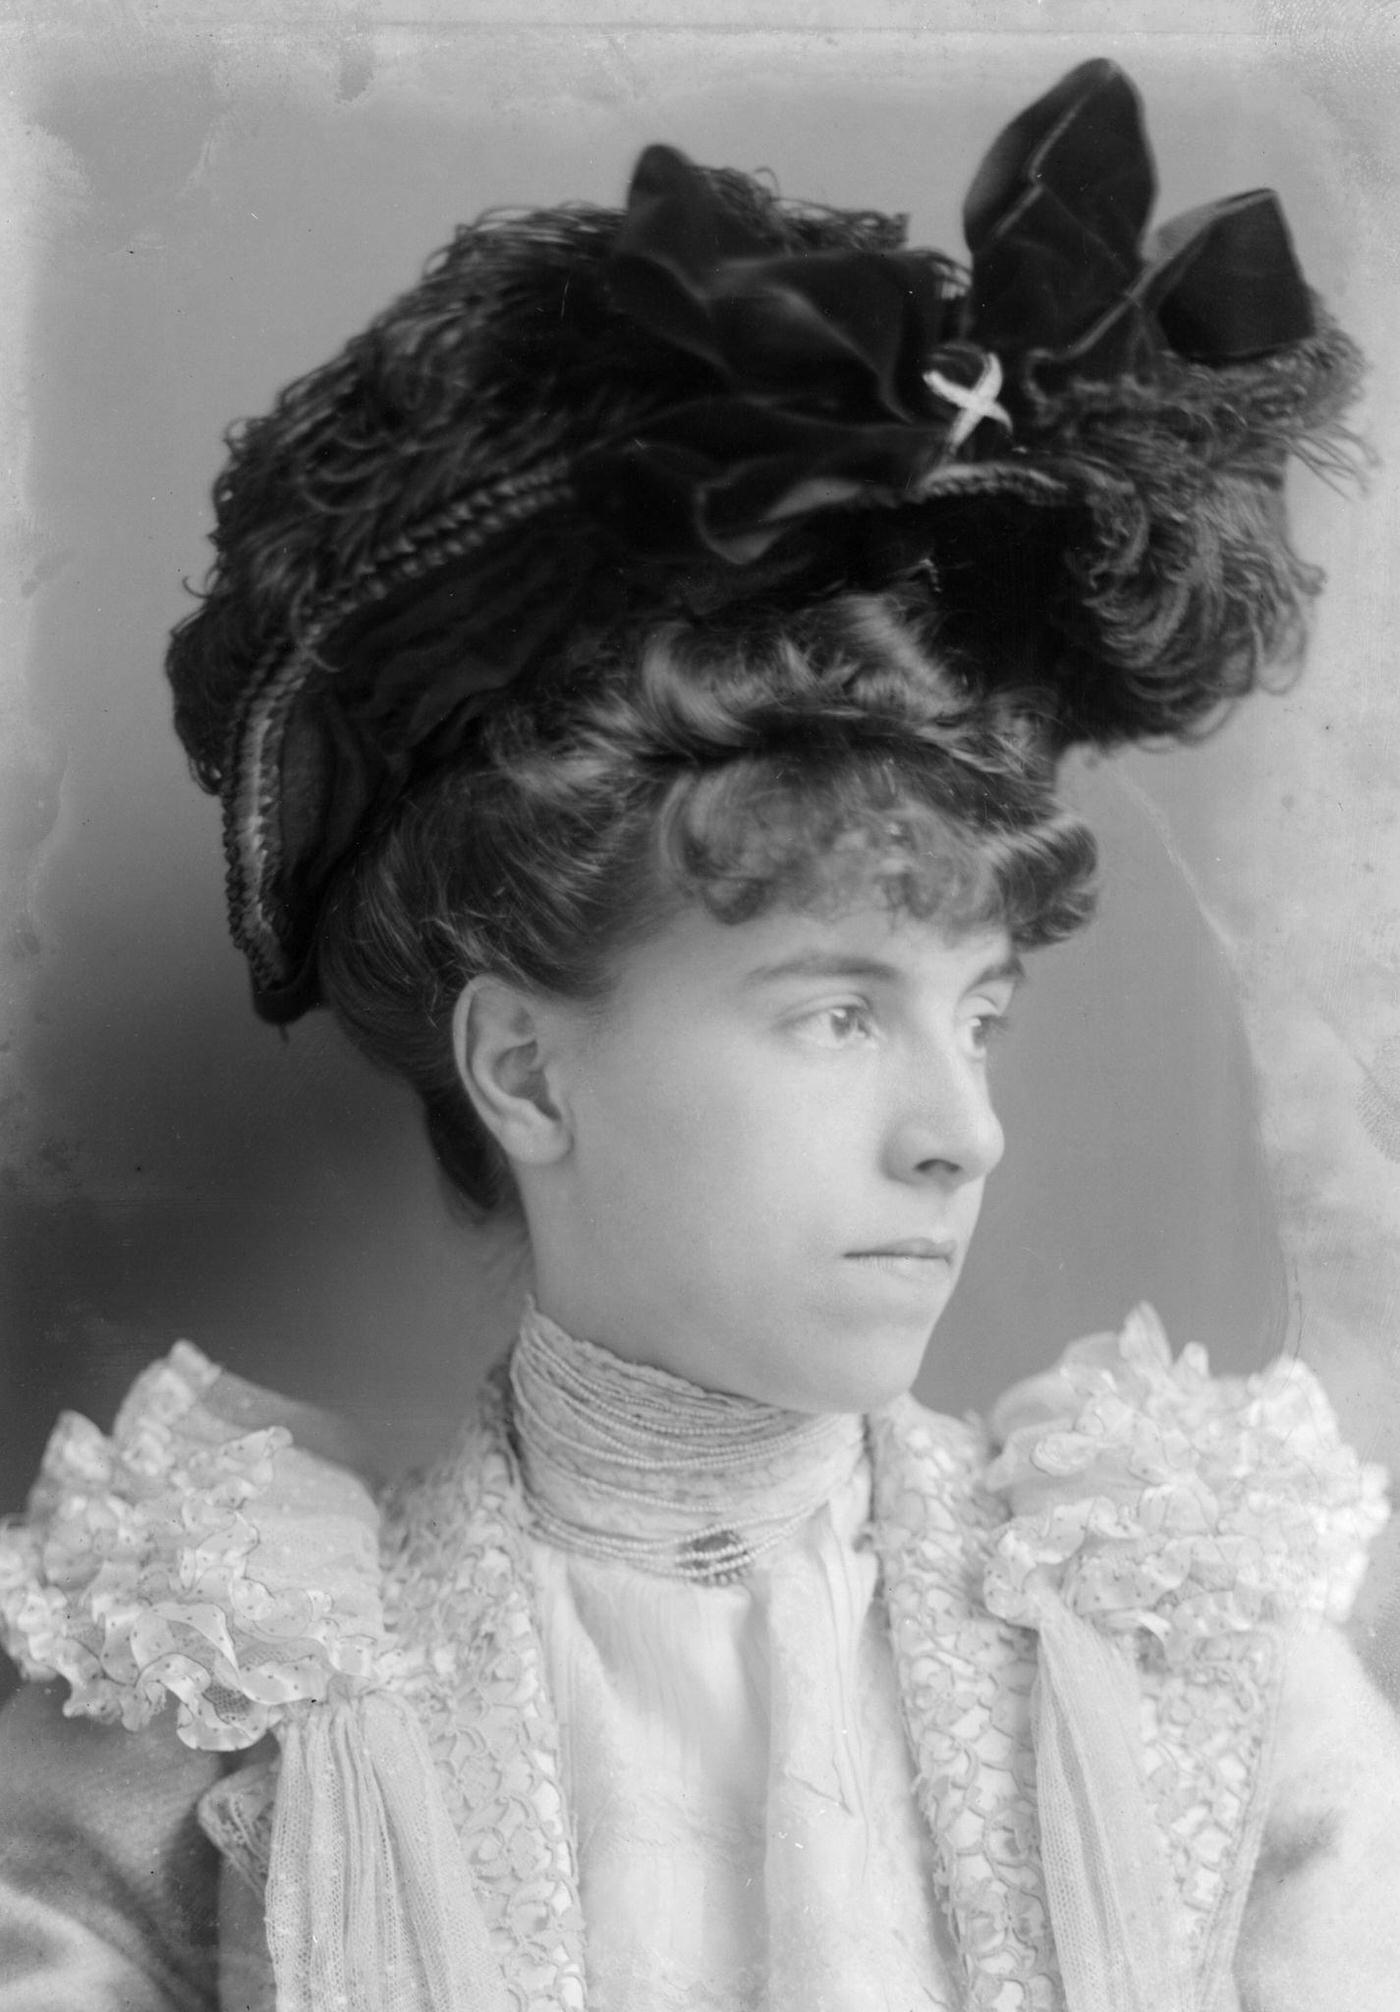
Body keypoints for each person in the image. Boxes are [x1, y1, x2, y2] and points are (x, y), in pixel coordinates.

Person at [0, 54, 1396, 2012]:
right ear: (522, 1064)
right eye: (834, 1010)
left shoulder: (1210, 1673)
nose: (958, 1133)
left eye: (973, 1013)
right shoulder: (212, 1717)